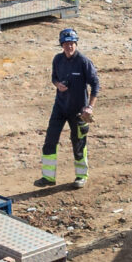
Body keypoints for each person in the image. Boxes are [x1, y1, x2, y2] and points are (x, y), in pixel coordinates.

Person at [38, 26, 98, 187]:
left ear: (76, 44)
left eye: (72, 43)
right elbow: (54, 78)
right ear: (61, 45)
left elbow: (95, 85)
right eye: (66, 44)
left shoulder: (84, 62)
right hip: (60, 108)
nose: (69, 47)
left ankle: (81, 176)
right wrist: (58, 84)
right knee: (50, 140)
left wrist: (89, 107)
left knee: (78, 143)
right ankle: (48, 178)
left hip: (79, 112)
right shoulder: (57, 60)